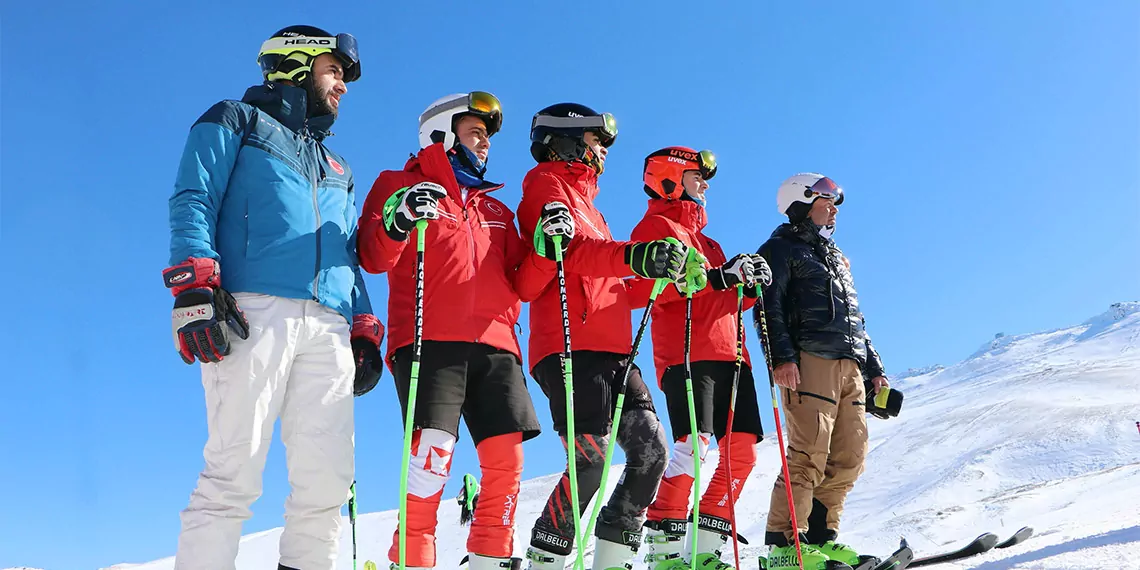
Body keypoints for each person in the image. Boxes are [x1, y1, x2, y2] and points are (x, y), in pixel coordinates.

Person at [164, 25, 381, 570]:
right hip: (251, 312)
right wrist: (194, 284)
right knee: (233, 472)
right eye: (335, 71)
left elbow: (345, 251)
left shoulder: (338, 166)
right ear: (297, 63)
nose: (344, 87)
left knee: (328, 478)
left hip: (328, 326)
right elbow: (194, 195)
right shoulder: (236, 120)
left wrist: (363, 322)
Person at [357, 91, 542, 570]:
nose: (484, 144)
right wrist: (400, 217)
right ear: (441, 133)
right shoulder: (398, 183)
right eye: (475, 132)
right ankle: (413, 558)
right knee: (432, 457)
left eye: (486, 137)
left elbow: (525, 282)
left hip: (498, 345)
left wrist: (546, 245)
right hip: (430, 338)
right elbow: (374, 257)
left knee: (506, 460)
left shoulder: (496, 210)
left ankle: (489, 557)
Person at [513, 103, 688, 570]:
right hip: (570, 346)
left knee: (652, 451)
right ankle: (545, 558)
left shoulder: (592, 208)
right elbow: (573, 254)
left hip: (614, 351)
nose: (603, 154)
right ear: (567, 140)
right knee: (589, 459)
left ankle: (613, 554)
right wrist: (634, 256)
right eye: (596, 142)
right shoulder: (545, 187)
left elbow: (608, 279)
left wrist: (653, 279)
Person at [630, 147, 770, 569]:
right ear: (669, 179)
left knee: (743, 454)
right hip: (689, 354)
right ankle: (664, 551)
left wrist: (745, 286)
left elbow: (718, 297)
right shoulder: (655, 227)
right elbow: (646, 291)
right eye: (696, 176)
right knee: (694, 447)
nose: (705, 185)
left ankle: (703, 551)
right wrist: (720, 277)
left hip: (734, 356)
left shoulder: (708, 240)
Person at [755, 173, 890, 570]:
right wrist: (781, 358)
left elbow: (855, 317)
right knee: (808, 451)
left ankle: (821, 539)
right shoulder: (778, 249)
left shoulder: (833, 256)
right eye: (826, 201)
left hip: (849, 362)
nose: (833, 210)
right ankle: (784, 546)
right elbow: (767, 305)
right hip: (808, 358)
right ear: (800, 201)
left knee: (851, 453)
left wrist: (874, 368)